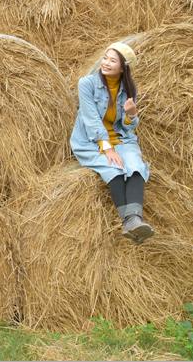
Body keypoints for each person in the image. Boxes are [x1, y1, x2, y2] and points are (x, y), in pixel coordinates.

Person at [71, 42, 154, 243]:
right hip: (90, 141)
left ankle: (134, 220)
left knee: (135, 166)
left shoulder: (129, 89)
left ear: (123, 67)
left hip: (121, 139)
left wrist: (132, 115)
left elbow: (128, 128)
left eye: (112, 60)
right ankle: (130, 223)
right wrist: (107, 148)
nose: (106, 63)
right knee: (114, 168)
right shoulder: (87, 84)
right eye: (105, 58)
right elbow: (91, 120)